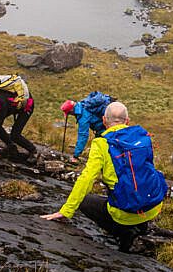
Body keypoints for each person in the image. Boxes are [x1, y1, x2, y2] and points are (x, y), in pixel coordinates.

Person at [41, 102, 166, 252]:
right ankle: (141, 225)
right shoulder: (143, 137)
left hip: (124, 213)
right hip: (153, 206)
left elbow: (86, 178)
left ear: (104, 120)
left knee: (85, 201)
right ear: (127, 121)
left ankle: (123, 231)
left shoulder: (101, 144)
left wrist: (66, 211)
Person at [60, 91, 112, 163]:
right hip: (106, 127)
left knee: (101, 148)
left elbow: (83, 136)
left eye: (68, 113)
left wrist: (76, 155)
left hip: (105, 130)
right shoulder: (83, 104)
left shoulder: (83, 117)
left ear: (71, 111)